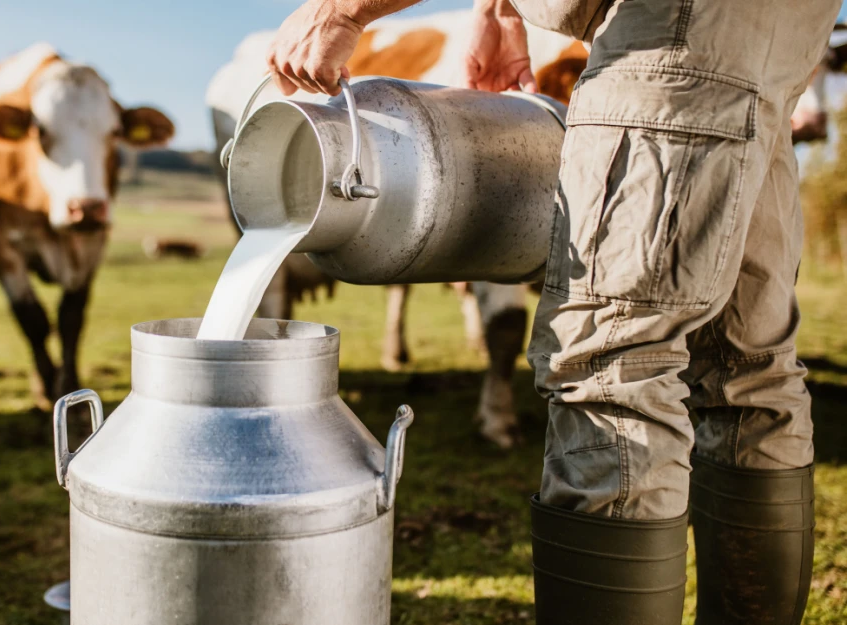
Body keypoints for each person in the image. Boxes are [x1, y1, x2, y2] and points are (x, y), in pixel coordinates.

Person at [264, 0, 841, 623]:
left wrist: (340, 11)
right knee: (746, 370)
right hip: (774, 36)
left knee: (613, 369)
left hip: (667, 32)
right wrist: (499, 7)